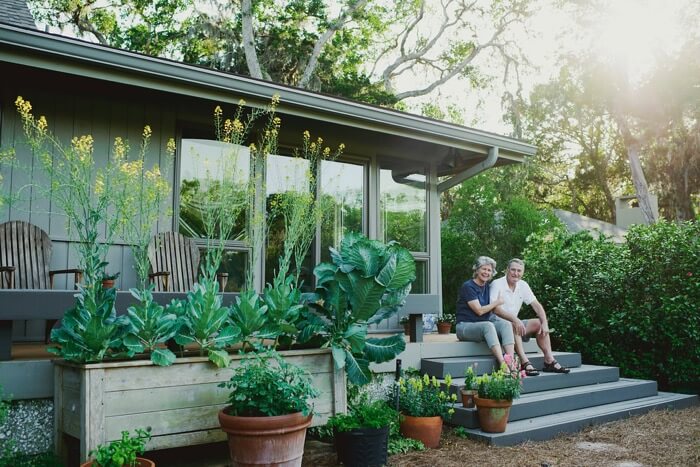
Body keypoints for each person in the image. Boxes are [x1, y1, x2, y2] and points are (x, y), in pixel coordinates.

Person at [489, 258, 570, 376]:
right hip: (497, 326)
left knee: (538, 323)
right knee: (513, 323)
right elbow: (494, 309)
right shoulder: (497, 284)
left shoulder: (523, 285)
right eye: (513, 270)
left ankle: (549, 361)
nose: (515, 273)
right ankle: (524, 361)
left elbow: (536, 305)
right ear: (507, 270)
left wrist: (545, 322)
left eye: (519, 271)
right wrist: (515, 319)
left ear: (523, 272)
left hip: (514, 324)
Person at [455, 256, 526, 367]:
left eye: (489, 270)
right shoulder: (468, 286)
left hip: (482, 326)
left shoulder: (487, 286)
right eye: (484, 269)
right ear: (477, 269)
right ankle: (503, 364)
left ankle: (510, 362)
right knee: (488, 325)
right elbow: (479, 311)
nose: (486, 272)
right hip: (464, 327)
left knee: (507, 324)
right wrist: (497, 302)